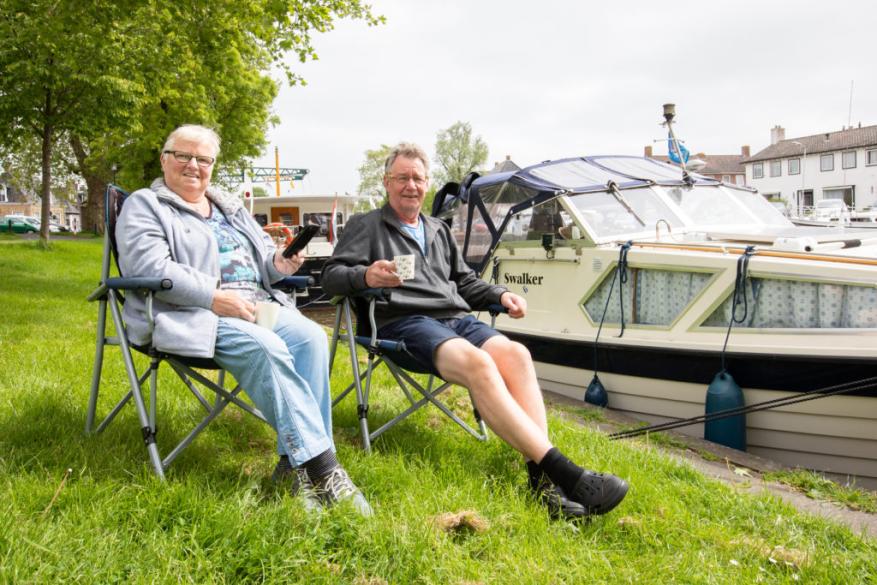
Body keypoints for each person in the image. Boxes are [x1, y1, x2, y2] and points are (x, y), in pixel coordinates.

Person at [322, 143, 629, 519]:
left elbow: (464, 283)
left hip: (455, 319)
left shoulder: (438, 229)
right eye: (401, 178)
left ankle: (541, 483)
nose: (410, 186)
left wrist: (501, 294)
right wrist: (365, 275)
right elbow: (331, 278)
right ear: (387, 182)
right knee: (479, 364)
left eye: (418, 178)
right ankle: (569, 476)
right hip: (404, 323)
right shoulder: (366, 226)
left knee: (517, 355)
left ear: (428, 183)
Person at [116, 124, 370, 516]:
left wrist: (280, 263)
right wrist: (214, 297)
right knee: (264, 346)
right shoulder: (145, 205)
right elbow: (150, 266)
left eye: (203, 159)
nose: (193, 165)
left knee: (311, 339)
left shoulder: (229, 208)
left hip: (256, 305)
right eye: (183, 156)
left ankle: (291, 466)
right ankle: (324, 469)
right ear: (164, 160)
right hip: (193, 312)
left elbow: (264, 262)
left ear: (213, 166)